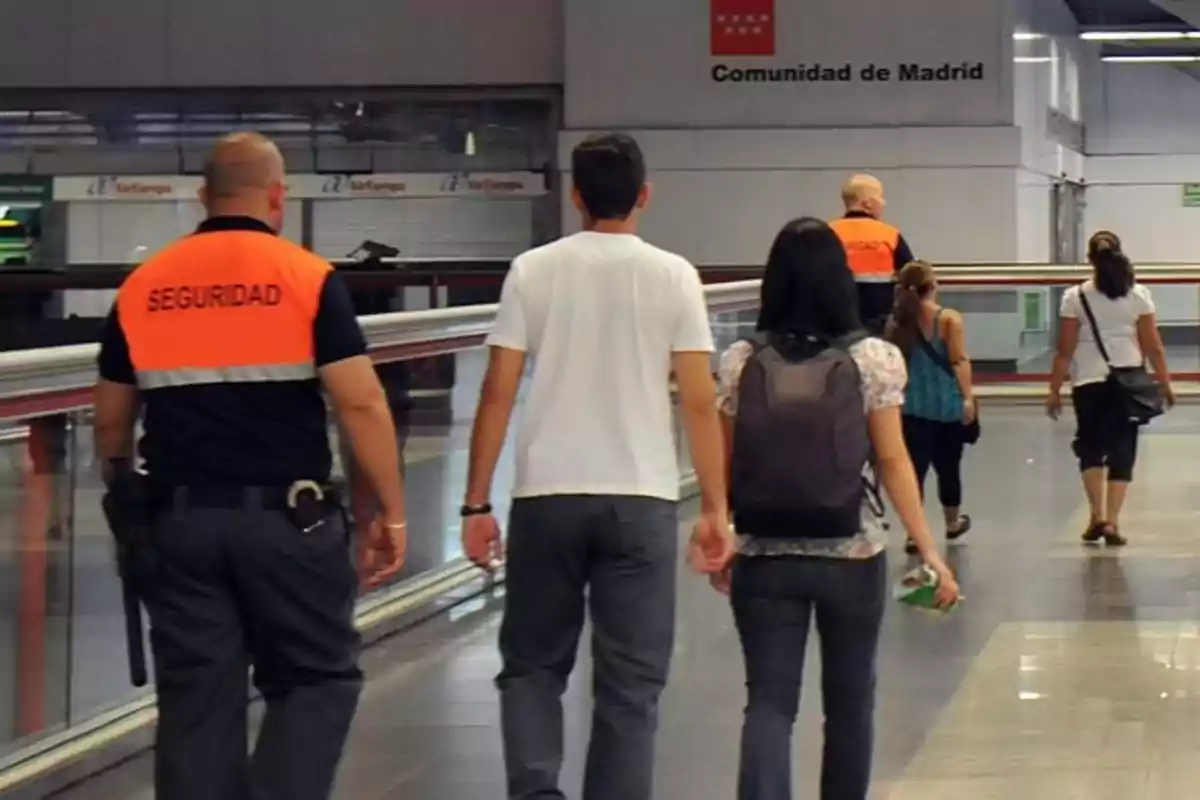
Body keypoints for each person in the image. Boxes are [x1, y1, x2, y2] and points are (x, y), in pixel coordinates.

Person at [92, 132, 408, 800]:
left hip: (178, 524)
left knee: (198, 702)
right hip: (288, 523)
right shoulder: (307, 278)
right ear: (277, 197)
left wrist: (122, 488)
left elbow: (112, 421)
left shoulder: (145, 285)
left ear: (203, 197)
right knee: (315, 678)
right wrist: (392, 514)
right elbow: (362, 405)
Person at [459, 131, 731, 800]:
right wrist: (718, 509)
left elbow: (497, 392)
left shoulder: (531, 270)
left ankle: (535, 791)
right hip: (640, 497)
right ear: (645, 195)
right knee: (631, 685)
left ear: (575, 196)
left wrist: (474, 505)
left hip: (546, 496)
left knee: (530, 667)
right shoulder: (674, 275)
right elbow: (699, 401)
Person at [712, 218, 959, 800]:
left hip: (763, 552)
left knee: (768, 702)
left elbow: (726, 464)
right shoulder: (872, 359)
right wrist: (930, 550)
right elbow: (895, 462)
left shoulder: (740, 360)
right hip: (852, 551)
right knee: (850, 705)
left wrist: (721, 531)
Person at [1046, 230, 1174, 546]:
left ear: (1090, 259)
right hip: (1128, 380)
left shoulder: (1074, 296)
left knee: (1090, 446)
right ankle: (1114, 523)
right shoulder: (1138, 294)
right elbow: (1153, 345)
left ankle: (1096, 515)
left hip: (1088, 381)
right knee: (1122, 449)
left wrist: (1053, 389)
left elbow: (1064, 348)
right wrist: (1165, 382)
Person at [887, 260, 976, 554]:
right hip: (946, 406)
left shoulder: (897, 322)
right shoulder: (949, 320)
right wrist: (967, 398)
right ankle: (952, 522)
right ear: (933, 286)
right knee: (949, 467)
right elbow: (958, 361)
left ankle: (915, 533)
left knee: (914, 470)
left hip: (911, 407)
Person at [829, 174, 915, 335]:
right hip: (878, 322)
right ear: (867, 202)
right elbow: (912, 274)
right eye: (880, 197)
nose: (884, 203)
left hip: (837, 321)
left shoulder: (828, 232)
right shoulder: (889, 234)